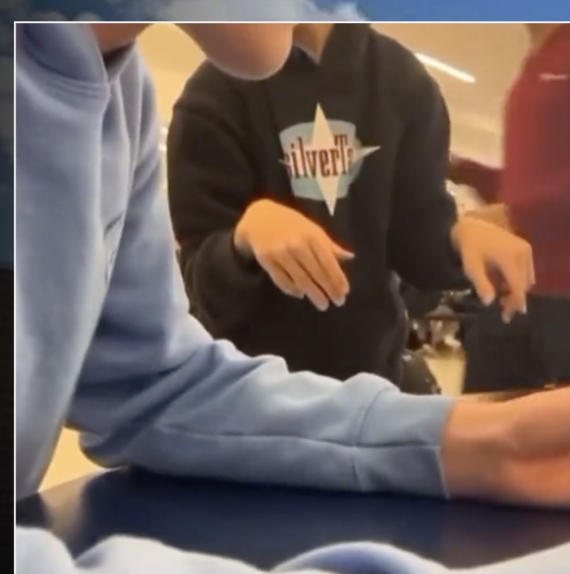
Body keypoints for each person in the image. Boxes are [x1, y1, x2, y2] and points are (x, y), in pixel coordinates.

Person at [13, 22, 570, 574]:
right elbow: (202, 277)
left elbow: (153, 380)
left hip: (347, 388)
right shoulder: (207, 99)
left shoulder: (117, 95)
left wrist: (482, 441)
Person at [168, 23, 531, 391]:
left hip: (371, 388)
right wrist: (243, 241)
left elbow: (418, 250)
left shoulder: (403, 83)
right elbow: (197, 288)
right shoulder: (213, 96)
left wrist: (460, 238)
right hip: (250, 398)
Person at [448, 23, 570, 393]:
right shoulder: (534, 61)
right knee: (485, 427)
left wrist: (519, 212)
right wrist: (463, 170)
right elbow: (525, 183)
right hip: (511, 291)